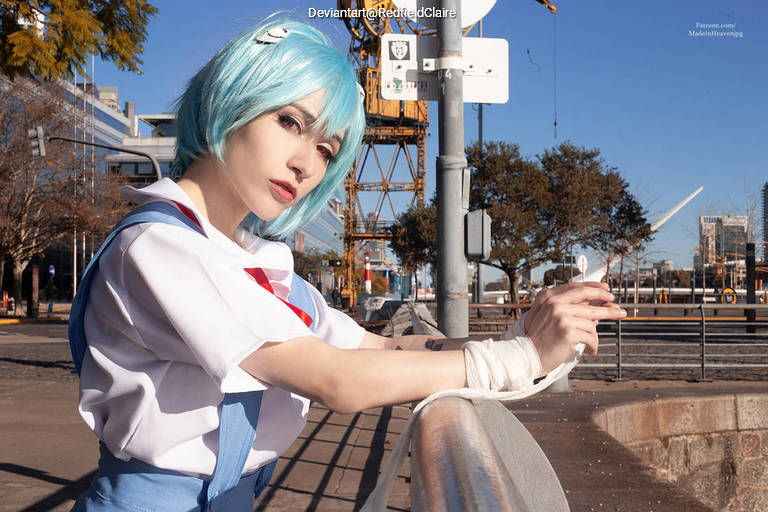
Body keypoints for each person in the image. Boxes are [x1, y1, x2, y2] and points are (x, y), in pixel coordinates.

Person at [69, 18, 626, 512]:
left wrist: (521, 338)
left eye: (327, 150)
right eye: (290, 122)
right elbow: (337, 379)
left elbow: (375, 347)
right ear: (234, 97)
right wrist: (516, 357)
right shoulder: (156, 247)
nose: (305, 163)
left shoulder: (250, 257)